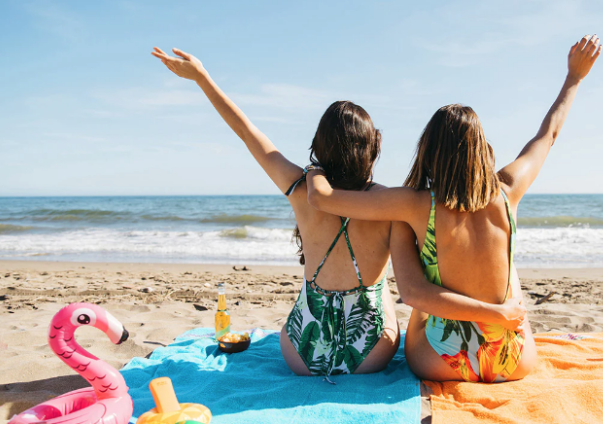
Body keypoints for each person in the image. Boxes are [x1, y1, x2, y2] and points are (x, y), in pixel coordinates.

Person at [150, 47, 524, 381]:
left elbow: (248, 134)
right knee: (390, 301)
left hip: (301, 354)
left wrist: (202, 78)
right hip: (371, 356)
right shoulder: (391, 207)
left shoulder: (300, 189)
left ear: (318, 145)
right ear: (373, 148)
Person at [306, 35, 602, 382]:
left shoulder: (415, 204)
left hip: (444, 362)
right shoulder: (508, 190)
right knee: (510, 272)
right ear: (481, 148)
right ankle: (499, 319)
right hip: (512, 359)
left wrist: (315, 169)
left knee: (419, 298)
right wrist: (574, 78)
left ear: (428, 150)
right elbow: (548, 134)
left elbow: (322, 198)